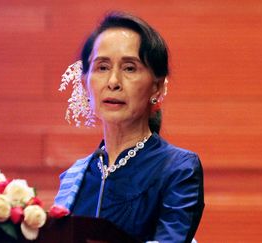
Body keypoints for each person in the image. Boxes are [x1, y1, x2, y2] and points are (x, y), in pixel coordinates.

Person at [54, 12, 204, 243]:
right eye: (102, 67)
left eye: (130, 68)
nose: (113, 82)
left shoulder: (177, 169)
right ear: (85, 83)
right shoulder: (75, 176)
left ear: (157, 86)